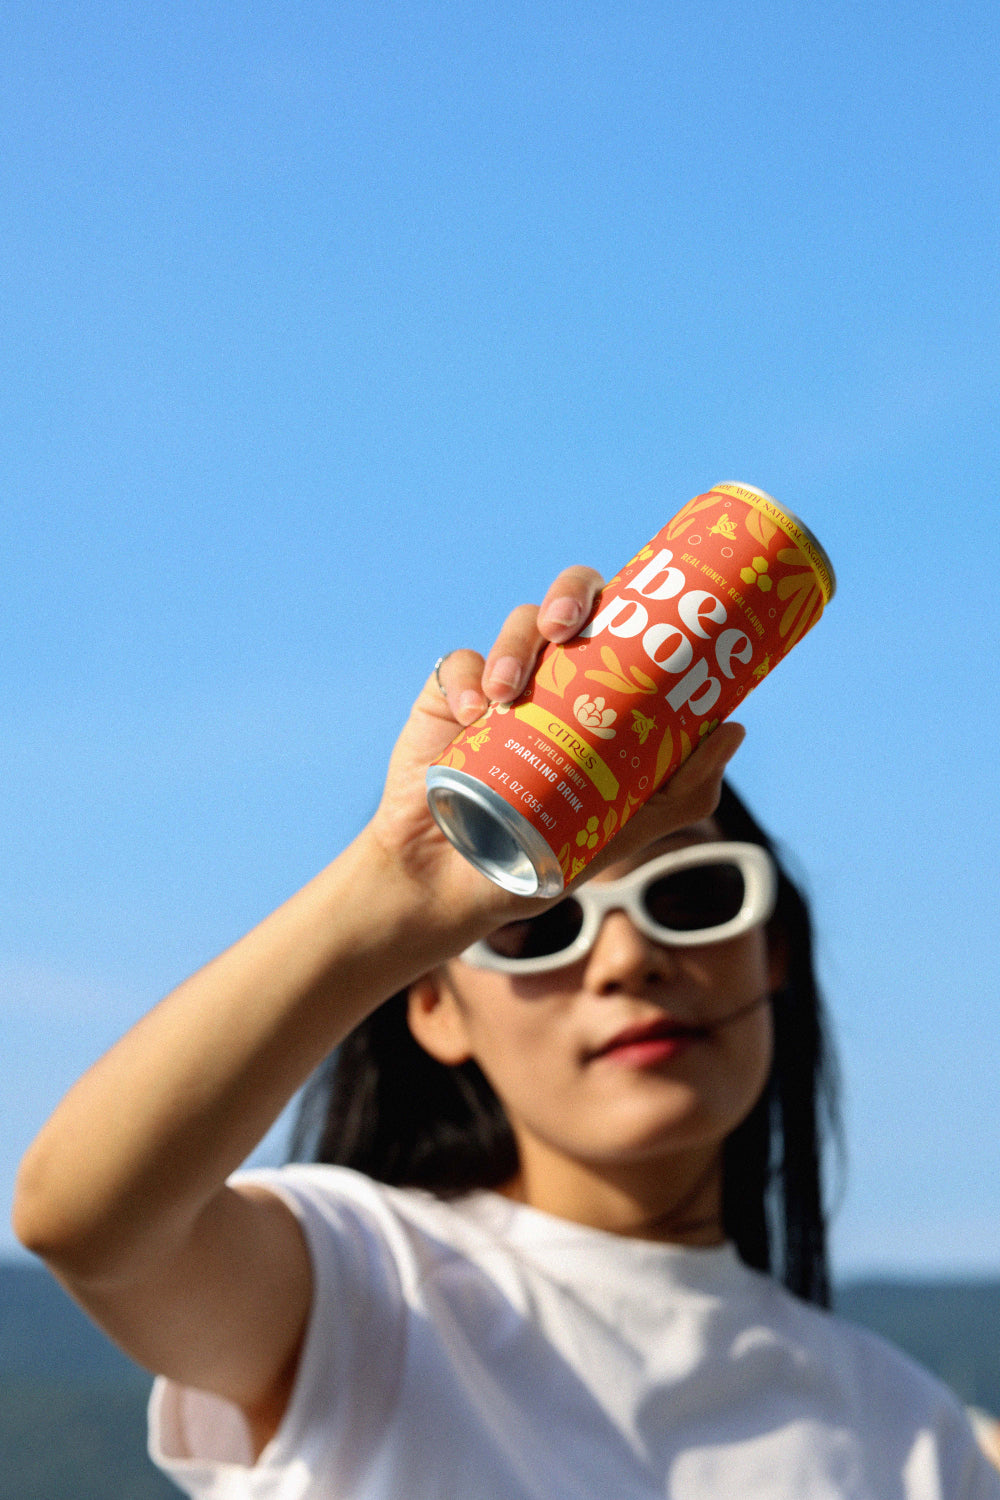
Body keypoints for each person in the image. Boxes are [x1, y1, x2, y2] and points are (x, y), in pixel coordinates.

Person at [13, 566, 1000, 1498]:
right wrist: (393, 890)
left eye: (692, 897)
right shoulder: (368, 1289)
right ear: (435, 1007)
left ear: (772, 951)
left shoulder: (912, 1434)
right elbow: (86, 1219)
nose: (625, 962)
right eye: (539, 926)